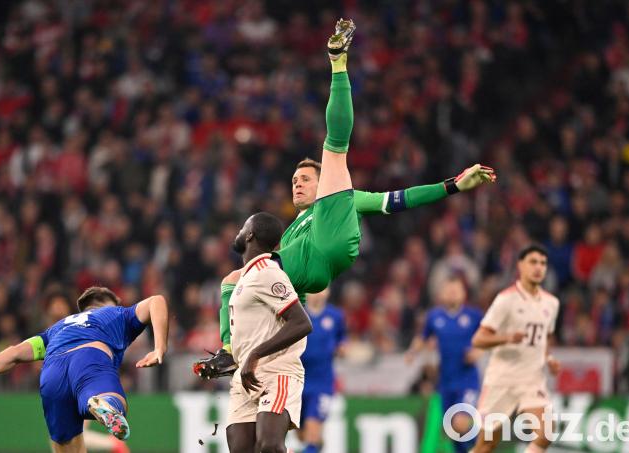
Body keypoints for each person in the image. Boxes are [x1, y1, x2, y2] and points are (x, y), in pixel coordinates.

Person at [196, 18, 497, 379]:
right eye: (294, 180)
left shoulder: (343, 197)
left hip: (334, 239)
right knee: (231, 281)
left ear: (324, 183)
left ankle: (338, 63)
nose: (297, 184)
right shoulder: (291, 232)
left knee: (335, 148)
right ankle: (229, 351)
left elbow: (399, 200)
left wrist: (452, 186)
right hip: (315, 271)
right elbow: (293, 294)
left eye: (305, 178)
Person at [0, 287, 169, 453]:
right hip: (89, 358)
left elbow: (14, 353)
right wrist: (159, 347)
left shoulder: (57, 328)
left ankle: (96, 404)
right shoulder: (116, 314)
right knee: (116, 403)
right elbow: (156, 302)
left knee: (67, 446)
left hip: (52, 371)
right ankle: (103, 403)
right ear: (106, 303)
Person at [225, 211, 313, 453]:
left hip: (276, 372)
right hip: (246, 376)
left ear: (250, 234)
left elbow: (301, 323)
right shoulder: (247, 277)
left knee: (269, 447)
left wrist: (255, 354)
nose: (239, 231)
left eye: (243, 227)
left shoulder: (267, 271)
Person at [470, 245, 561, 453]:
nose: (538, 267)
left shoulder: (551, 303)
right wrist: (507, 337)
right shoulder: (506, 299)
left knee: (545, 432)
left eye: (543, 263)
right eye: (533, 262)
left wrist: (549, 358)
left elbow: (544, 338)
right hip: (502, 379)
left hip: (532, 380)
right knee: (486, 446)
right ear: (520, 266)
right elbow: (478, 339)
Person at [405, 276, 483, 453]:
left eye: (456, 290)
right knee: (452, 431)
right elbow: (423, 337)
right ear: (441, 294)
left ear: (464, 294)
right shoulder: (435, 317)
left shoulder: (474, 316)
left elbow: (489, 336)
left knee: (460, 423)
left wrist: (479, 351)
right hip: (446, 382)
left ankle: (482, 446)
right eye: (449, 290)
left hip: (467, 381)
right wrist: (412, 352)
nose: (453, 294)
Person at [298, 289, 345, 453]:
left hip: (322, 382)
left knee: (313, 430)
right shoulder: (298, 312)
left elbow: (341, 339)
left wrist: (341, 349)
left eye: (323, 288)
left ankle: (313, 445)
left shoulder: (335, 316)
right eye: (315, 289)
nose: (319, 293)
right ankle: (316, 446)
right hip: (298, 381)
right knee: (301, 434)